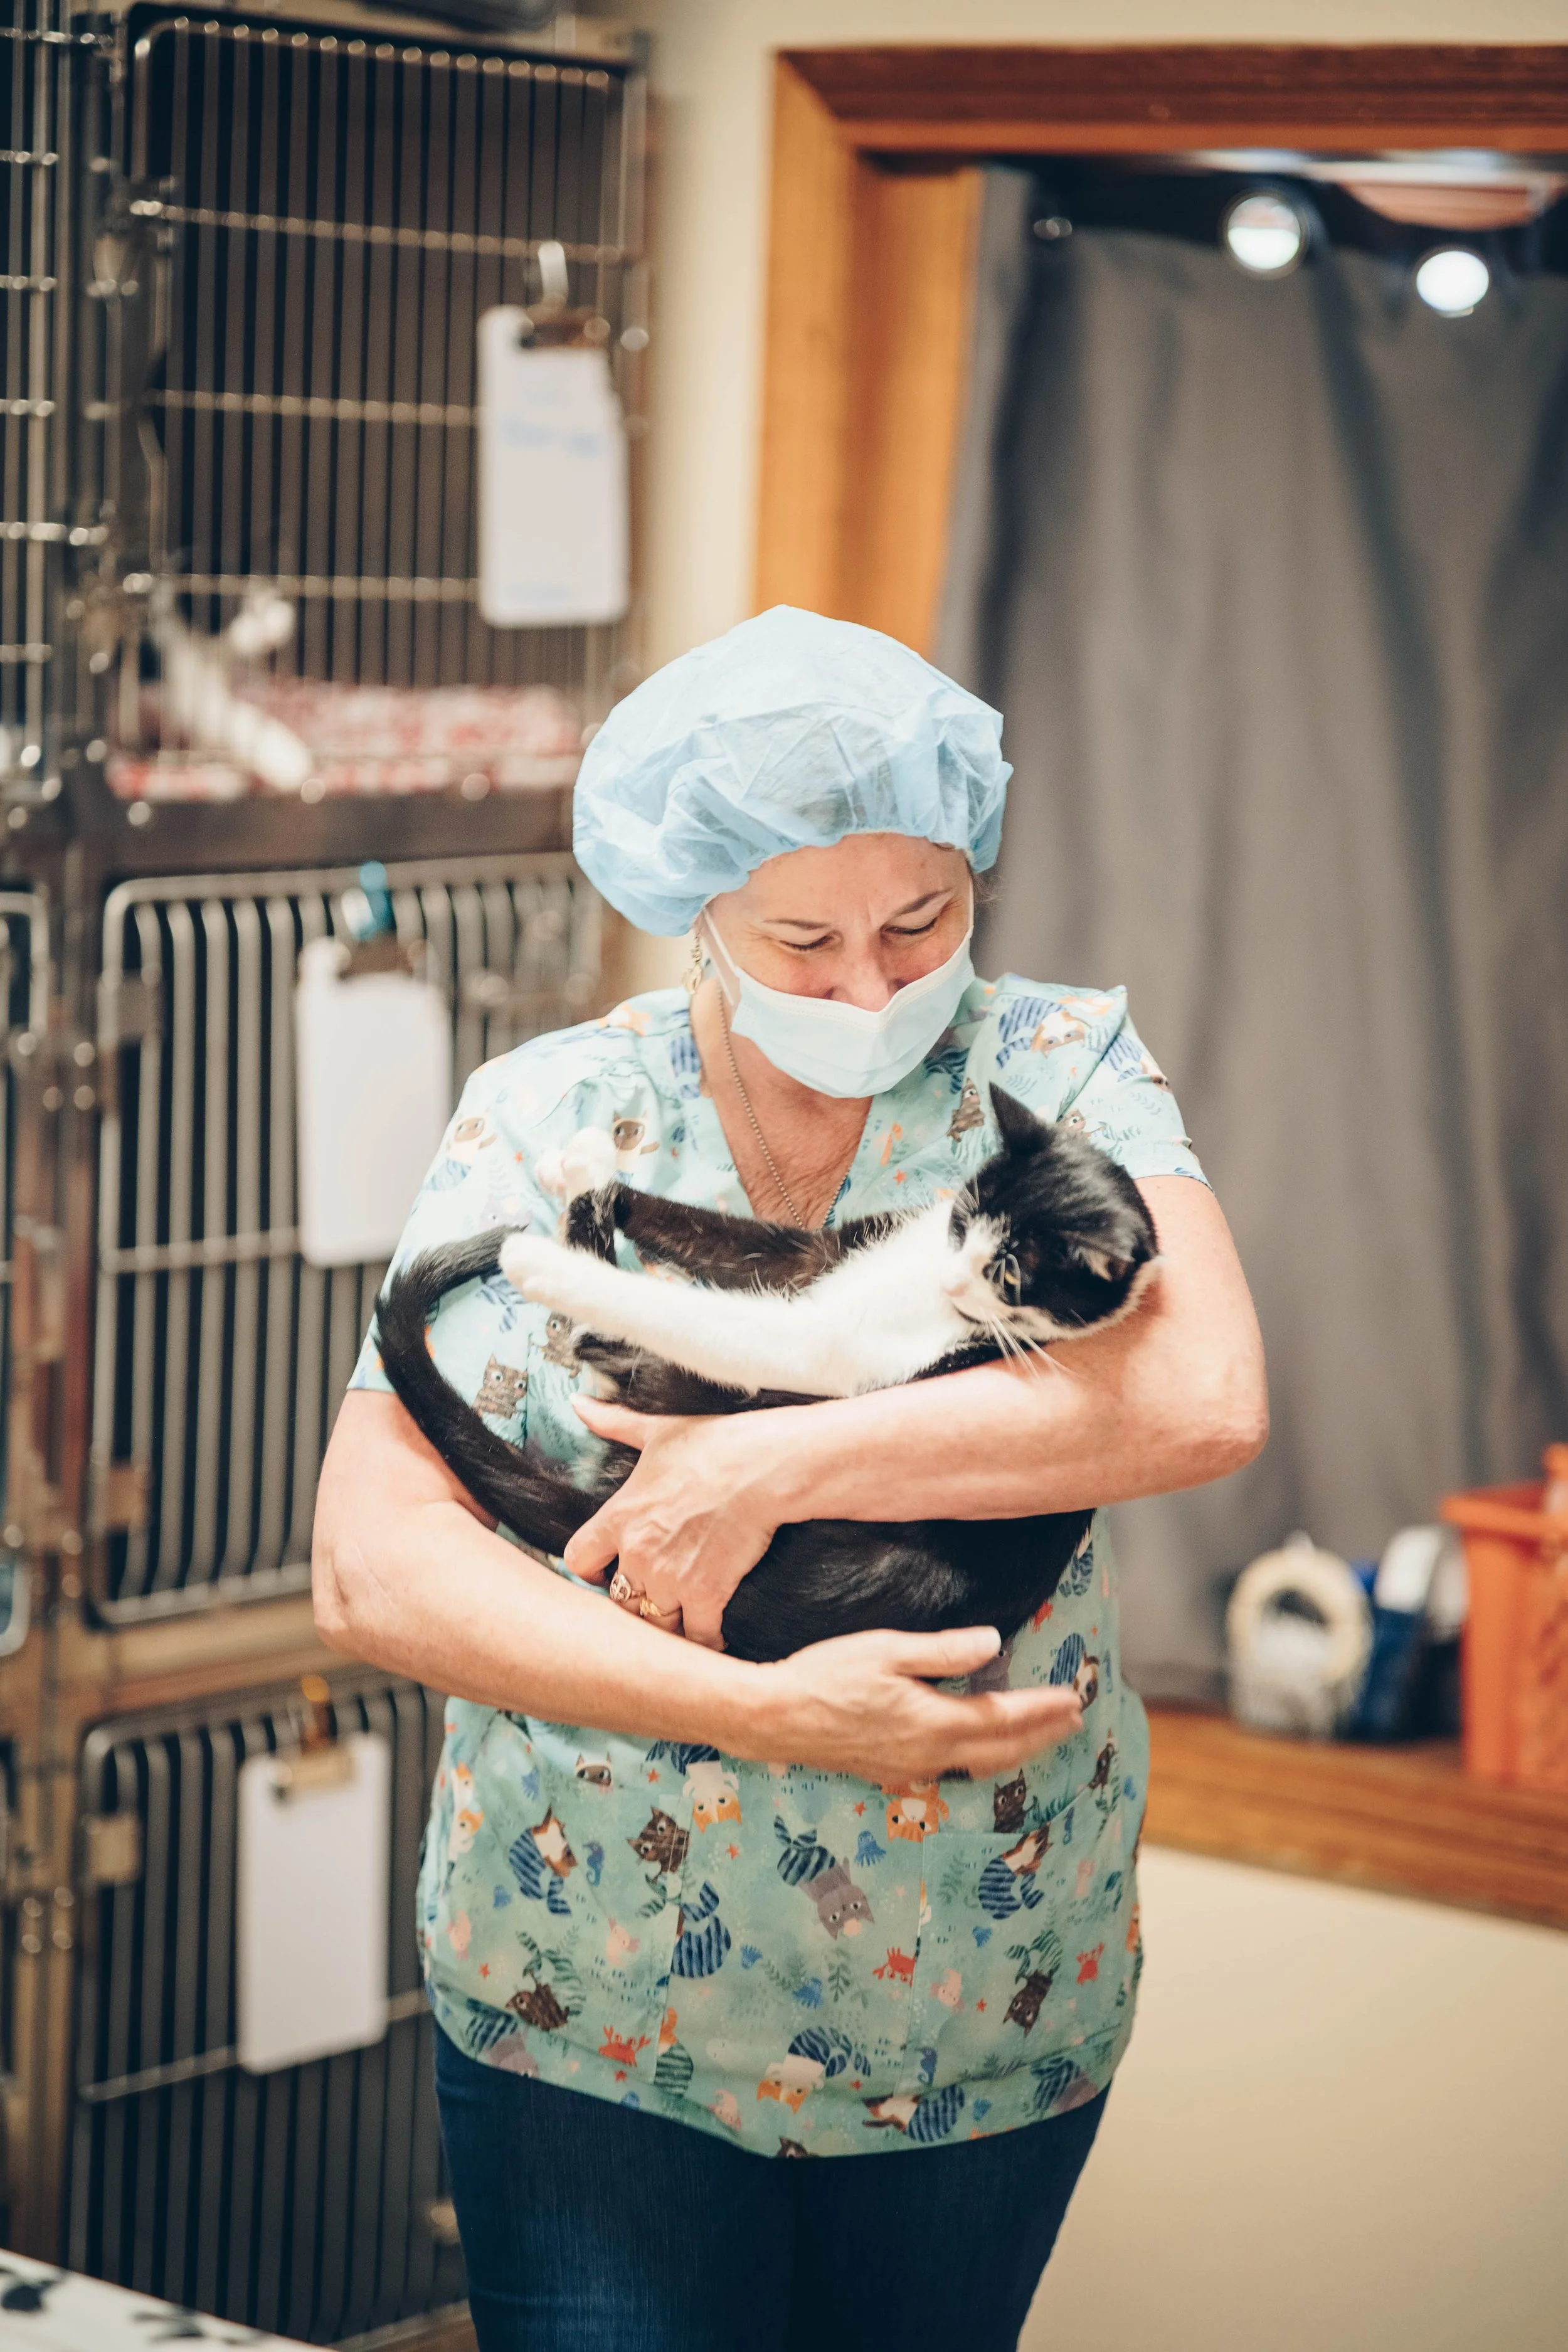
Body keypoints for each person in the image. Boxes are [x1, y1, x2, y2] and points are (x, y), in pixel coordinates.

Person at [313, 607, 1267, 2352]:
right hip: (585, 1997)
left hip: (979, 2011)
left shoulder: (1052, 1070)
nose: (869, 986)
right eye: (801, 938)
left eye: (920, 921)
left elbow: (1201, 1392)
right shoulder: (552, 1111)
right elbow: (370, 1564)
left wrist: (770, 1463)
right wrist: (758, 1711)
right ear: (700, 909)